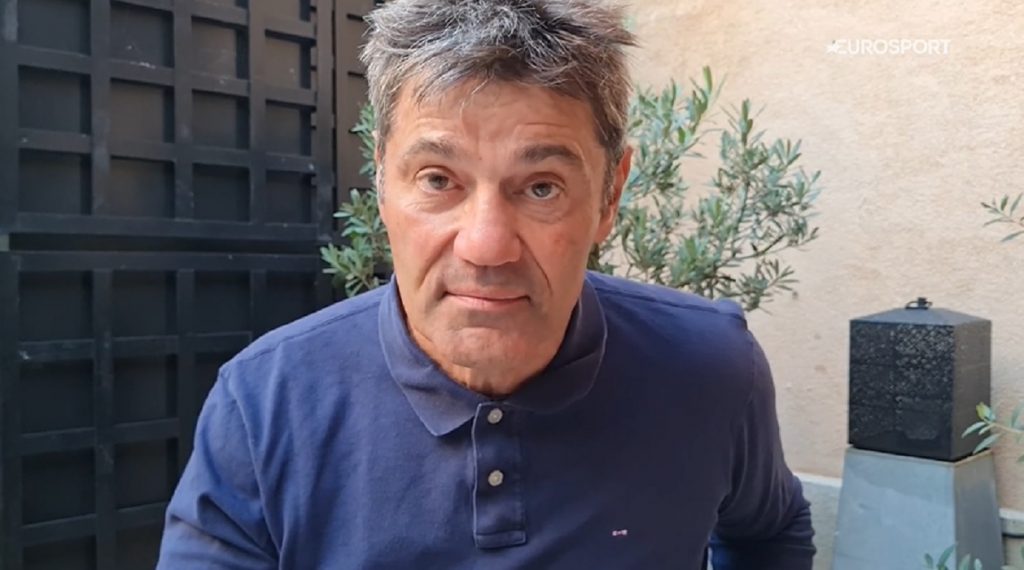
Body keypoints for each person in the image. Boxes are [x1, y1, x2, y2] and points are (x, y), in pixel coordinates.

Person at [157, 0, 816, 568]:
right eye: (438, 179)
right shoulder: (265, 404)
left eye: (541, 187)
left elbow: (771, 529)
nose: (486, 246)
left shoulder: (712, 368)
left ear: (610, 195)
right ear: (382, 182)